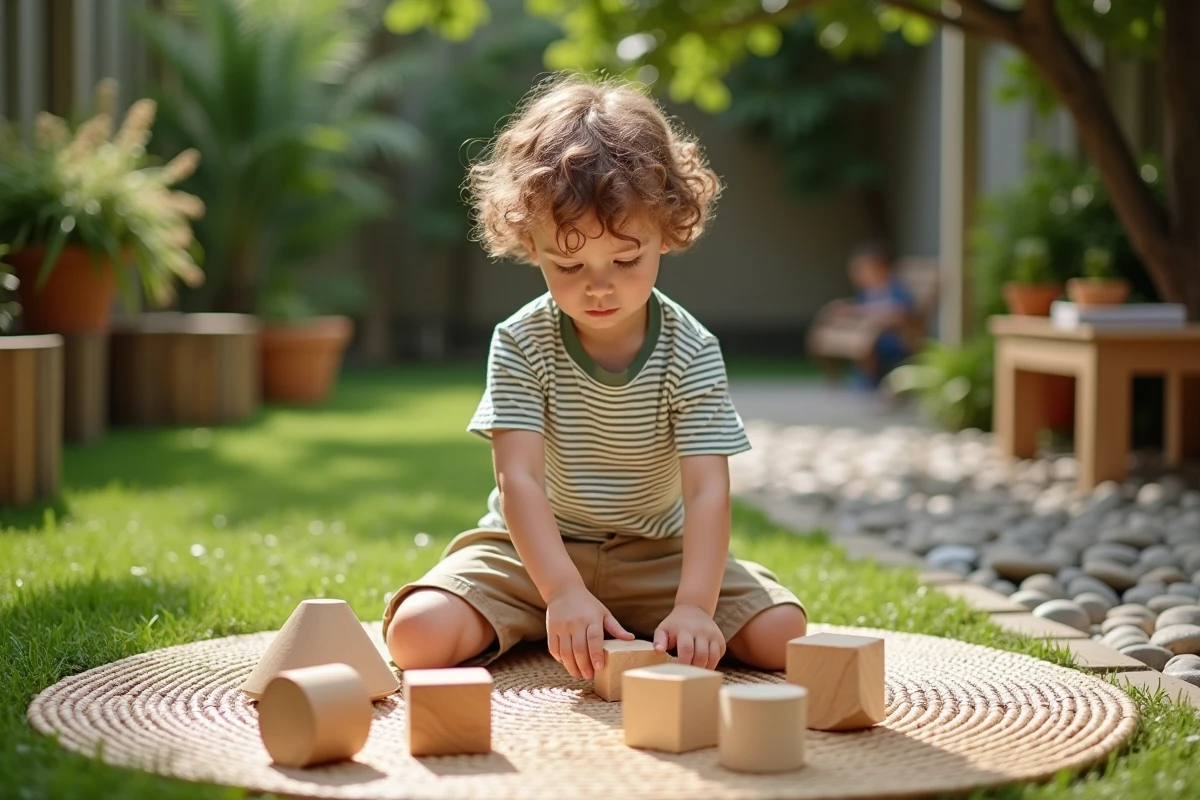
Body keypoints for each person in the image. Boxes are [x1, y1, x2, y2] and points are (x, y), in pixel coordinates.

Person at [381, 74, 808, 681]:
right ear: (531, 243)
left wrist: (694, 605)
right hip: (532, 554)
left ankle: (608, 618)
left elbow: (707, 491)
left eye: (626, 259)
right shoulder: (520, 341)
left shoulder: (691, 350)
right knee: (416, 635)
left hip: (660, 556)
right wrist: (560, 590)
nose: (599, 286)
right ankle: (557, 615)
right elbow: (519, 479)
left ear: (667, 230)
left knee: (784, 636)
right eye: (569, 263)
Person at [836, 240, 916, 389]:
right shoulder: (868, 293)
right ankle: (866, 376)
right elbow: (861, 309)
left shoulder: (894, 288)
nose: (857, 276)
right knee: (858, 339)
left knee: (866, 342)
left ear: (881, 268)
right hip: (872, 337)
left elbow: (900, 310)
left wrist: (863, 311)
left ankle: (872, 379)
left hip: (894, 340)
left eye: (862, 270)